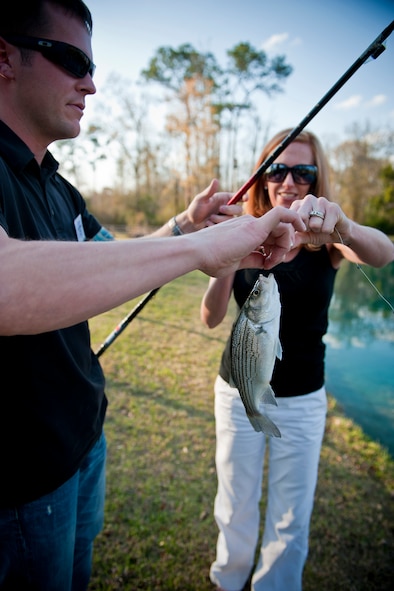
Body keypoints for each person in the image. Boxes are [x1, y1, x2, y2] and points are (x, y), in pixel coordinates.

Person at [0, 3, 311, 590]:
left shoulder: (58, 187)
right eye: (70, 60)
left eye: (91, 65)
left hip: (83, 443)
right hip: (21, 479)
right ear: (4, 56)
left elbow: (113, 261)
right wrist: (206, 248)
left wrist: (183, 229)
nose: (89, 83)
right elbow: (6, 284)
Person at [200, 128, 394, 591]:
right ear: (263, 177)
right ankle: (229, 581)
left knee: (291, 514)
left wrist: (342, 225)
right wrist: (225, 255)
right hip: (238, 390)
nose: (289, 181)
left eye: (302, 171)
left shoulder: (327, 237)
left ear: (316, 178)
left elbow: (383, 253)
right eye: (277, 169)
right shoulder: (242, 230)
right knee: (235, 500)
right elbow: (211, 317)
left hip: (304, 397)